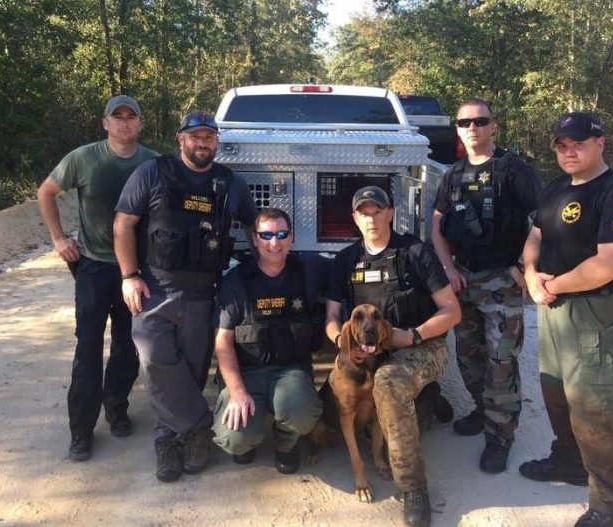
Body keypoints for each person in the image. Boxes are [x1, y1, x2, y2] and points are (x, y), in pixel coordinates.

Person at [518, 112, 613, 527]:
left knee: (595, 406)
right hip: (553, 304)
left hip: (593, 310)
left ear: (600, 143)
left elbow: (609, 263)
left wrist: (553, 286)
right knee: (556, 391)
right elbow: (536, 236)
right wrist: (531, 272)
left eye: (577, 142)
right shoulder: (556, 188)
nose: (568, 150)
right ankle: (570, 462)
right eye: (561, 144)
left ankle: (608, 507)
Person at [113, 110, 257, 482]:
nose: (202, 142)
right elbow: (123, 224)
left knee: (192, 370)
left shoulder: (229, 184)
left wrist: (270, 260)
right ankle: (191, 429)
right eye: (195, 136)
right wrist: (129, 275)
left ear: (216, 142)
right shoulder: (152, 173)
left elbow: (256, 225)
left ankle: (177, 440)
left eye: (209, 137)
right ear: (181, 139)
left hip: (201, 292)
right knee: (157, 362)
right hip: (154, 288)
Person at [325, 186, 461, 527]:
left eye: (377, 211)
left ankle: (413, 488)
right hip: (366, 354)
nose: (371, 218)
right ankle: (427, 402)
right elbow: (331, 318)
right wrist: (343, 344)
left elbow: (452, 311)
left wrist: (412, 335)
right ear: (355, 218)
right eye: (364, 212)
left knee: (388, 382)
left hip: (420, 346)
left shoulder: (416, 253)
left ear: (390, 214)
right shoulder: (345, 261)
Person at [37, 95, 158, 462]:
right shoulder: (84, 158)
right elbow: (46, 192)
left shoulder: (152, 163)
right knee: (87, 347)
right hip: (92, 266)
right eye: (116, 117)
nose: (124, 123)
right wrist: (59, 238)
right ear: (105, 123)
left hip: (135, 271)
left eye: (130, 117)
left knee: (127, 345)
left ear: (140, 123)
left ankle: (117, 408)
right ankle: (81, 430)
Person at [430, 98, 541, 473]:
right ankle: (483, 411)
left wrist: (525, 266)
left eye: (481, 121)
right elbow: (436, 223)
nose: (473, 128)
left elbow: (543, 221)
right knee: (469, 356)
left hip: (502, 282)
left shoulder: (513, 171)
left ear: (494, 126)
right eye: (465, 123)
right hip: (465, 280)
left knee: (501, 362)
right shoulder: (452, 174)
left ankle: (500, 437)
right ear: (458, 130)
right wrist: (447, 267)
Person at [212, 208, 325, 474]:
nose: (274, 242)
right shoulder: (237, 280)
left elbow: (348, 264)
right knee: (234, 438)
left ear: (291, 237)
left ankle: (286, 443)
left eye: (281, 234)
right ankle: (247, 441)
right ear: (255, 238)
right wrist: (237, 392)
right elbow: (223, 342)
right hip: (246, 373)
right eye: (266, 235)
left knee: (303, 414)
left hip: (290, 371)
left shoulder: (308, 271)